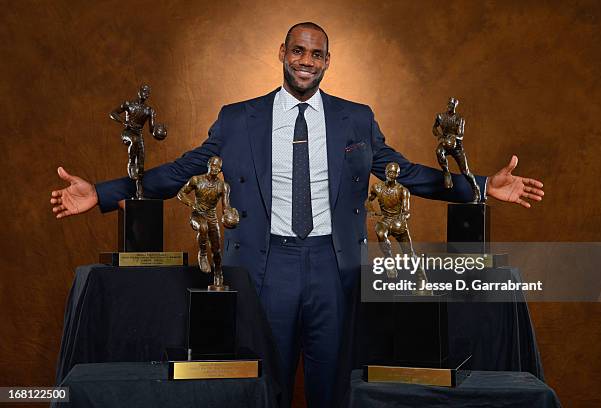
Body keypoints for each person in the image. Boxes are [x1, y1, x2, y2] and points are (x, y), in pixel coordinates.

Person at [50, 22, 544, 408]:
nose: (306, 61)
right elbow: (181, 171)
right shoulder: (238, 117)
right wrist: (99, 193)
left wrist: (479, 186)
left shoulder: (356, 117)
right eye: (297, 51)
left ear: (327, 61)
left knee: (334, 384)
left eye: (316, 53)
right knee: (268, 382)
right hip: (266, 267)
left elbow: (408, 173)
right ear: (282, 54)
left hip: (336, 268)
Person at [176, 156, 239, 289]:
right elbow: (181, 194)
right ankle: (203, 254)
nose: (216, 169)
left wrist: (230, 214)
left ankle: (218, 272)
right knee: (203, 227)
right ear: (208, 164)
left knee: (216, 250)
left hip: (211, 217)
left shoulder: (223, 186)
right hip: (197, 215)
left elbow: (225, 205)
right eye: (214, 166)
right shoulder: (196, 180)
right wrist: (191, 203)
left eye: (218, 167)